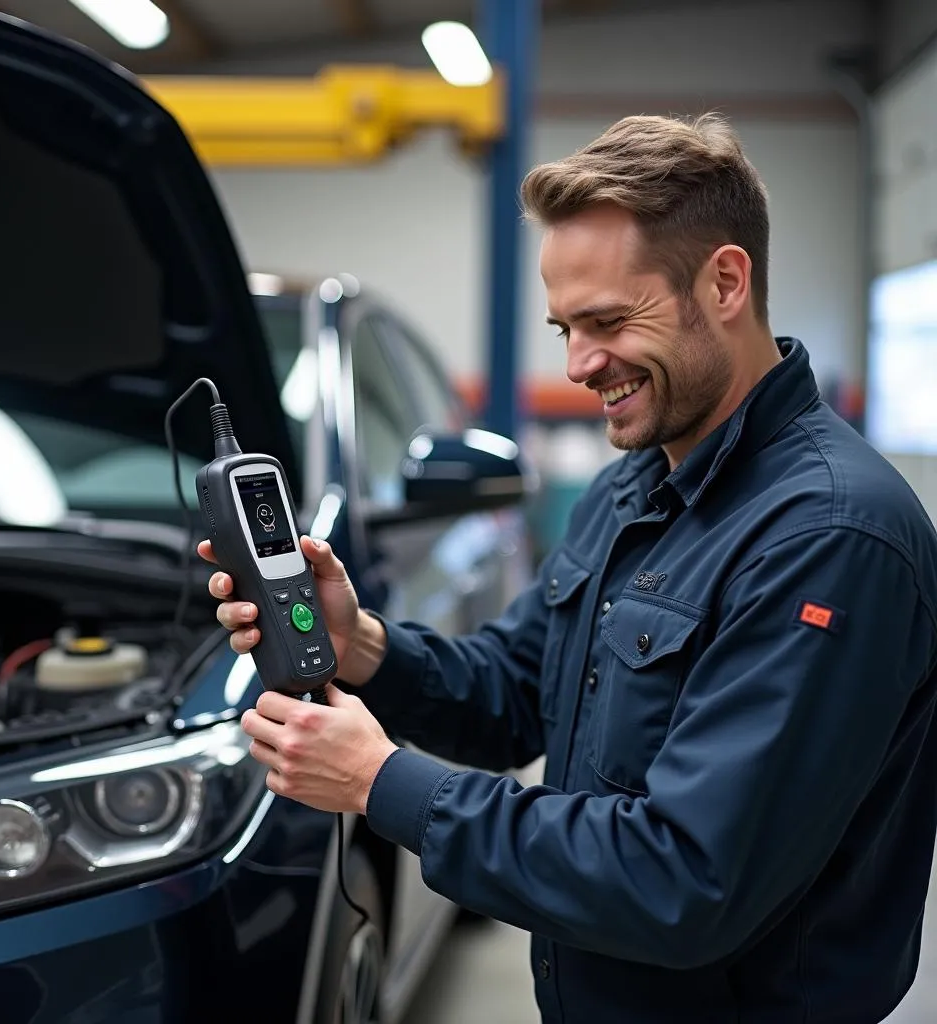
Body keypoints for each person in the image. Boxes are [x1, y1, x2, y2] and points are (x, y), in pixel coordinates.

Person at [199, 113, 937, 1023]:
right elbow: (518, 693)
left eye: (609, 321)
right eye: (563, 329)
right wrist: (363, 646)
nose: (582, 365)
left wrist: (381, 781)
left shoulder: (829, 538)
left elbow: (683, 880)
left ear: (726, 282)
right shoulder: (632, 487)